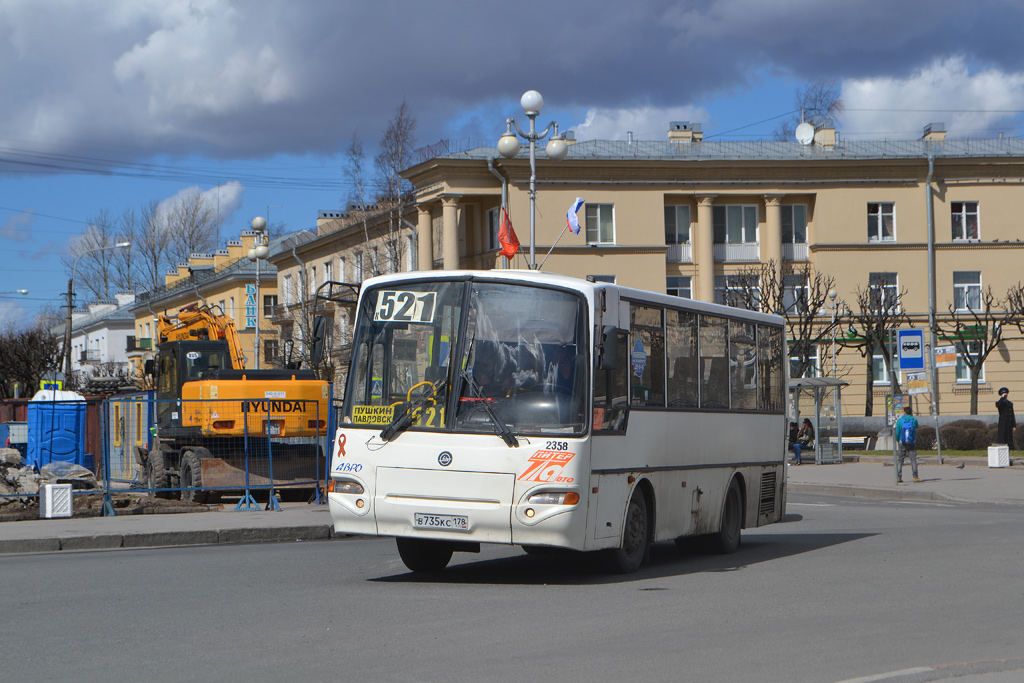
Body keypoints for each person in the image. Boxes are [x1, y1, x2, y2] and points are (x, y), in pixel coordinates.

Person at [895, 406, 920, 483]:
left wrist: (898, 440)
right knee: (913, 459)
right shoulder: (914, 420)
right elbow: (916, 427)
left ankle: (899, 477)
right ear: (911, 412)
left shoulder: (899, 421)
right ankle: (915, 477)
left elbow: (897, 432)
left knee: (900, 460)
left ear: (904, 412)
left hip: (902, 442)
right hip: (912, 442)